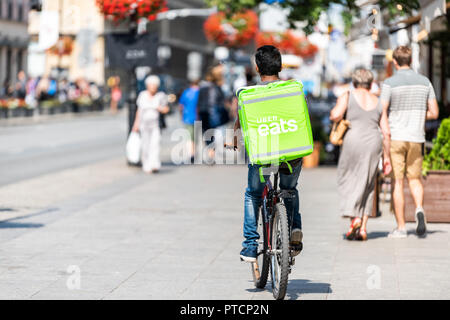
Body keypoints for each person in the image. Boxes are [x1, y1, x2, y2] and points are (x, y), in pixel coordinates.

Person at [228, 45, 303, 262]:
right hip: (291, 153)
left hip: (265, 154)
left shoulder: (249, 93)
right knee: (289, 189)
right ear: (280, 66)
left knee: (253, 193)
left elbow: (241, 121)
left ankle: (250, 246)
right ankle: (293, 229)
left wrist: (234, 137)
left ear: (257, 68)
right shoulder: (293, 90)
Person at [380, 46, 439, 238]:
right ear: (411, 60)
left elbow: (382, 112)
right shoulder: (425, 82)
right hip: (417, 137)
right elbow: (434, 112)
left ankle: (402, 227)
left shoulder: (389, 83)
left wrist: (385, 133)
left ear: (395, 62)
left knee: (398, 182)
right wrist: (419, 116)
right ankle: (419, 209)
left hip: (397, 136)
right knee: (415, 179)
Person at [330, 68, 392, 240]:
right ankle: (363, 228)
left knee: (348, 179)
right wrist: (387, 158)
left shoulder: (347, 95)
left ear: (354, 81)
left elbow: (335, 114)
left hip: (352, 140)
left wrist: (337, 116)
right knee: (368, 183)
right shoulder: (378, 101)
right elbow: (386, 132)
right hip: (374, 142)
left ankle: (354, 218)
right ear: (371, 83)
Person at [132, 75, 169, 173]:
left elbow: (166, 109)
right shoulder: (142, 95)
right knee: (145, 144)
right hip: (144, 124)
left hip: (155, 124)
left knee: (155, 144)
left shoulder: (161, 95)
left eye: (154, 85)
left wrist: (159, 108)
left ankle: (155, 164)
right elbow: (139, 111)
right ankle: (146, 163)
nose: (152, 86)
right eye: (151, 84)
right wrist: (136, 124)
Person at [179, 80, 200, 162]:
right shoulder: (200, 92)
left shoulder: (186, 92)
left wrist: (181, 115)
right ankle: (195, 152)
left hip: (187, 117)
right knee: (196, 137)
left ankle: (191, 154)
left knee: (189, 137)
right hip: (199, 117)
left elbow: (181, 105)